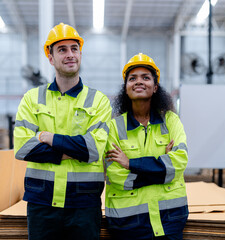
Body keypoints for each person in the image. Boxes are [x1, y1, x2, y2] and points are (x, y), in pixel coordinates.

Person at [14, 23, 112, 240]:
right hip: (42, 202)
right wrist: (74, 151)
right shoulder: (32, 99)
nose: (70, 55)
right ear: (50, 58)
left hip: (83, 204)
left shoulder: (99, 101)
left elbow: (94, 150)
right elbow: (22, 148)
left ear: (80, 54)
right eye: (62, 49)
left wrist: (48, 138)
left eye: (74, 49)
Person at [104, 53, 189, 240]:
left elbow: (179, 161)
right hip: (128, 222)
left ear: (155, 87)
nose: (139, 82)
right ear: (125, 89)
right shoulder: (114, 127)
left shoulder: (171, 121)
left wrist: (131, 163)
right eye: (132, 78)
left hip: (169, 220)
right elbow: (116, 175)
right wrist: (161, 171)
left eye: (146, 77)